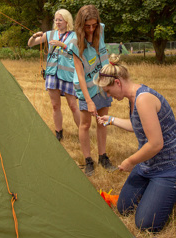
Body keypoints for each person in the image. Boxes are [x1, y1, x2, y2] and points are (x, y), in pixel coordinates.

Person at [94, 54, 176, 232]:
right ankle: (157, 190)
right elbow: (138, 125)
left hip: (170, 166)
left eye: (108, 92)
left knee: (146, 224)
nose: (109, 96)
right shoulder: (132, 99)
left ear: (117, 83)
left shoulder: (143, 99)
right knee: (124, 207)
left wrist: (130, 161)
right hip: (148, 165)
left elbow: (155, 144)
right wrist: (112, 119)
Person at [67, 5, 116, 176]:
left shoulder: (100, 30)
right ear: (80, 25)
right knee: (85, 124)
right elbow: (80, 75)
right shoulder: (74, 43)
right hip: (86, 88)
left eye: (93, 25)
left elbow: (104, 58)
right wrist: (88, 100)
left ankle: (103, 157)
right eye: (87, 26)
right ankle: (88, 160)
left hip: (102, 85)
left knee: (102, 121)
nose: (91, 29)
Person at [28, 9, 80, 141]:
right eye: (55, 20)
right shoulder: (50, 34)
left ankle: (82, 131)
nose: (57, 22)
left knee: (73, 105)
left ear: (67, 21)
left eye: (60, 20)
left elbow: (76, 52)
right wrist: (35, 36)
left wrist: (62, 45)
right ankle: (58, 132)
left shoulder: (74, 36)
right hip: (52, 73)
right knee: (55, 105)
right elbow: (31, 44)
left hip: (67, 75)